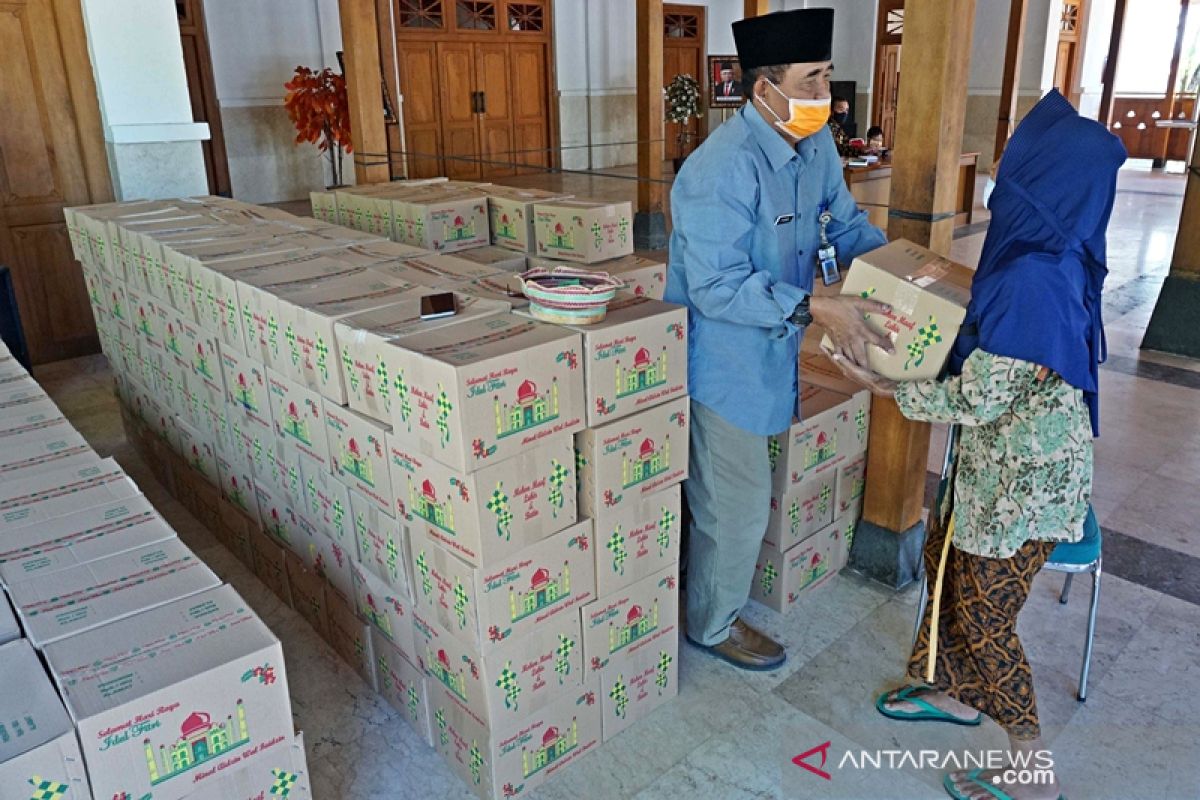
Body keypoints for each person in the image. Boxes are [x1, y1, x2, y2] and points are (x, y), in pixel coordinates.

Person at [832, 90, 1126, 800]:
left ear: (1047, 183)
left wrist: (885, 383)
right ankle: (958, 692)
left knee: (985, 617)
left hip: (1020, 492)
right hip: (994, 471)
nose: (1002, 180)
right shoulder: (1048, 248)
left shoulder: (1037, 277)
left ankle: (1032, 769)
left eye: (1018, 169)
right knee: (941, 561)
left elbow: (979, 397)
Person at [665, 8, 892, 672]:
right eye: (812, 80)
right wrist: (820, 304)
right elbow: (719, 289)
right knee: (733, 509)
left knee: (732, 491)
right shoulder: (718, 172)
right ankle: (710, 625)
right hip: (725, 364)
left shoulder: (814, 145)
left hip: (775, 353)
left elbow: (841, 221)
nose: (827, 95)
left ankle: (702, 579)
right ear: (763, 90)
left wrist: (903, 273)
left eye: (827, 76)